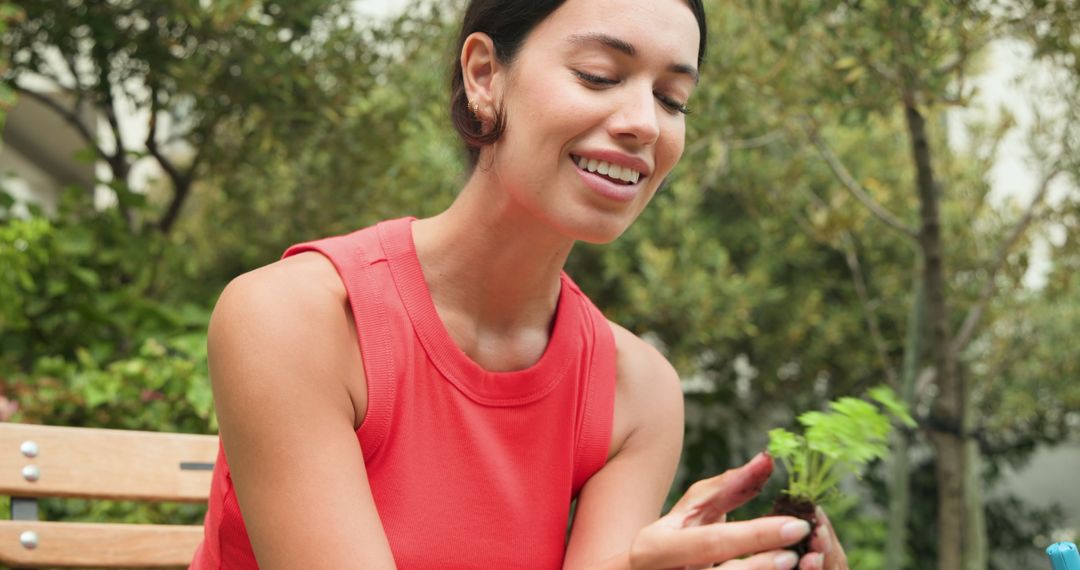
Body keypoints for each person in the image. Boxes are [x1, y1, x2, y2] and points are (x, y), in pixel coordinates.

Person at [190, 0, 850, 568]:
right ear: (484, 75)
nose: (644, 123)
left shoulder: (637, 393)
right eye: (600, 76)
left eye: (672, 99)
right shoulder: (298, 318)